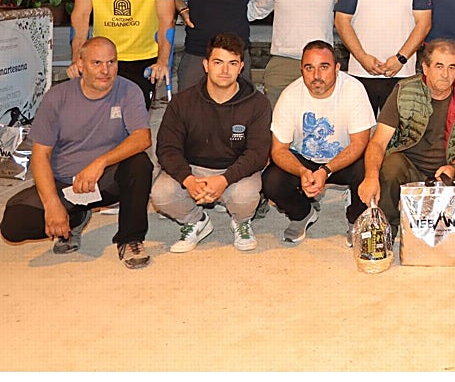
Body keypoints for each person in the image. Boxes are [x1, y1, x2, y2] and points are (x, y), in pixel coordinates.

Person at [0, 37, 153, 269]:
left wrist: (100, 163)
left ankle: (130, 238)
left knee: (140, 164)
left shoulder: (128, 90)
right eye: (97, 63)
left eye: (111, 62)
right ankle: (75, 218)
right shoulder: (57, 97)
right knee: (13, 225)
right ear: (80, 65)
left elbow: (142, 138)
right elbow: (40, 156)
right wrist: (52, 203)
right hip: (65, 184)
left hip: (105, 181)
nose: (105, 70)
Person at [151, 32, 272, 253]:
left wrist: (224, 180)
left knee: (245, 197)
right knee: (161, 195)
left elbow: (258, 153)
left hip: (235, 170)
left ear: (241, 67)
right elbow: (167, 148)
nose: (225, 70)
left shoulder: (257, 104)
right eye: (218, 62)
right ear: (206, 65)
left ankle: (240, 221)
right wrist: (187, 179)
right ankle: (196, 220)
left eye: (232, 63)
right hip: (194, 169)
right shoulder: (182, 102)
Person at [359, 39, 455, 234]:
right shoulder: (404, 91)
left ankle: (454, 238)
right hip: (411, 167)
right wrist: (370, 176)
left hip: (449, 168)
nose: (445, 74)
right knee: (390, 166)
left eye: (452, 67)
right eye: (439, 66)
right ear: (425, 68)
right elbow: (378, 142)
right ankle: (386, 231)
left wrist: (454, 167)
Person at [262, 40, 375, 246]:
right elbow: (278, 150)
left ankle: (356, 218)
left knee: (369, 167)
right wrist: (303, 172)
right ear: (301, 70)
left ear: (337, 68)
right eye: (309, 68)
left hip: (343, 158)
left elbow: (359, 143)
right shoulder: (290, 96)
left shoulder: (353, 90)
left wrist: (326, 169)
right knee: (271, 182)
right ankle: (303, 213)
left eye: (324, 67)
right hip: (304, 159)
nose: (316, 75)